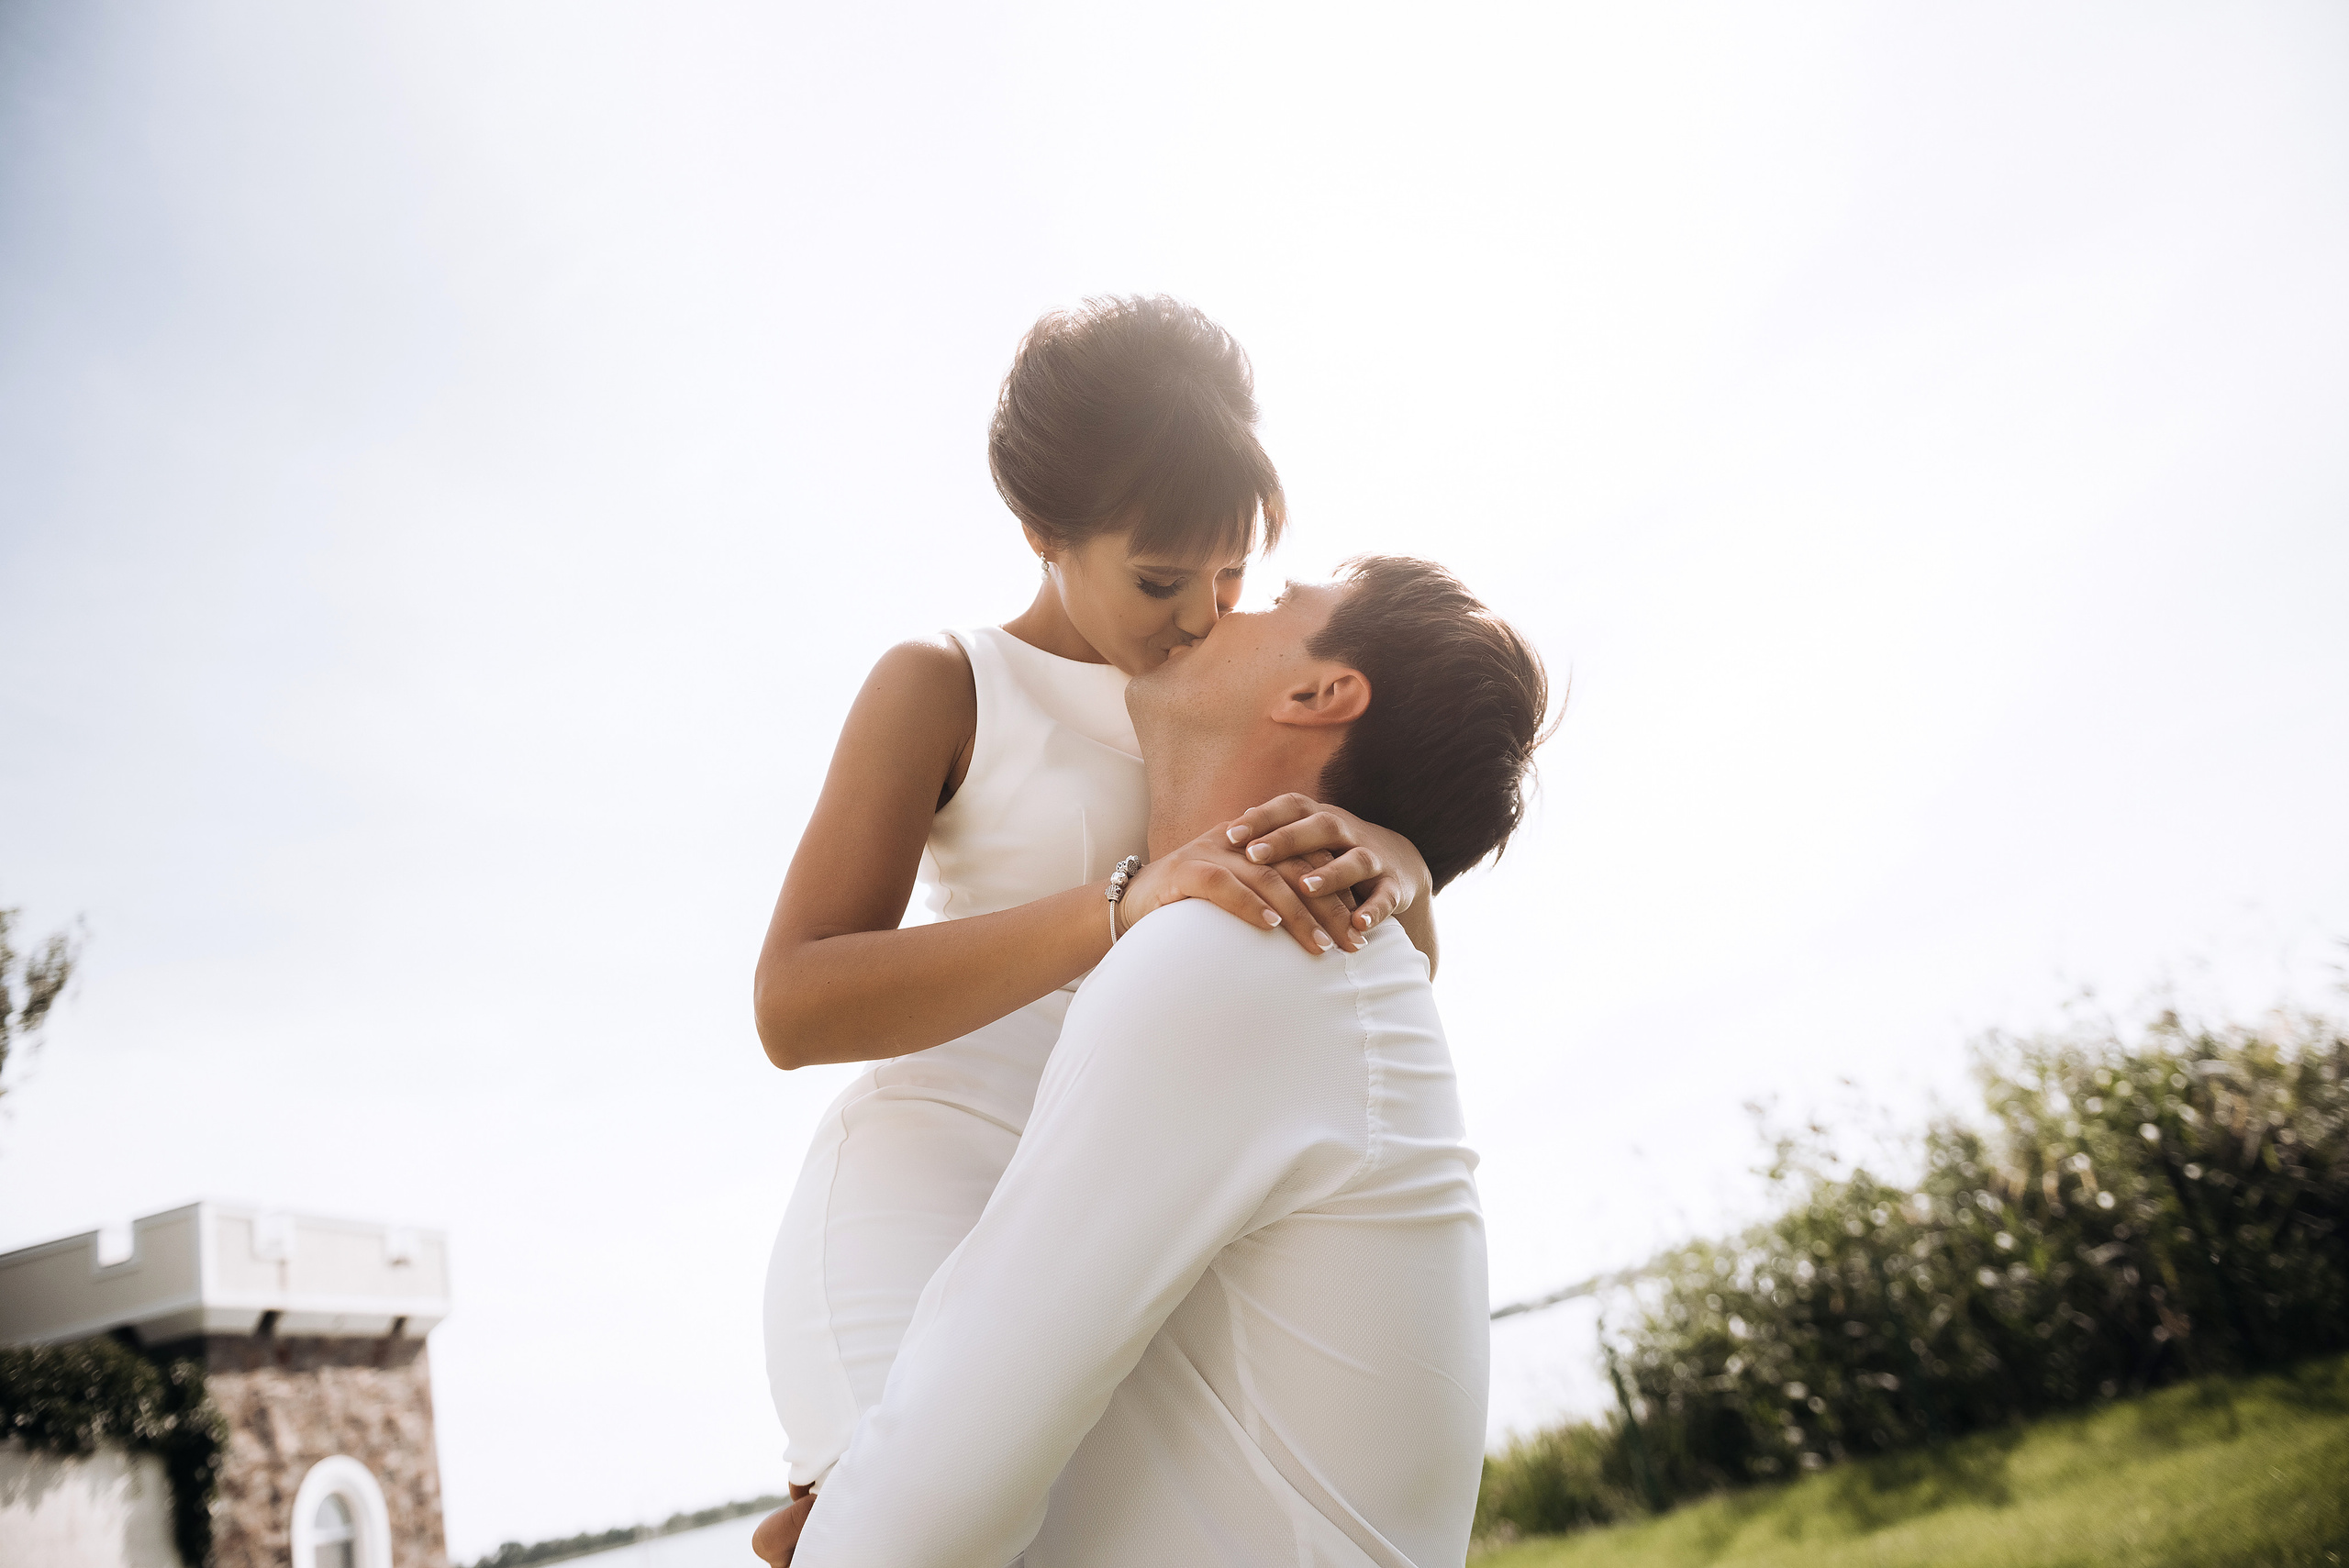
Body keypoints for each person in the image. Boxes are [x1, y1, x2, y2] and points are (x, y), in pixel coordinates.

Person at [754, 298, 1442, 1507]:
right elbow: (793, 1004)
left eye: (1234, 570)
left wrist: (1399, 853)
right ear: (1039, 532)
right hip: (925, 1189)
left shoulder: (1234, 687)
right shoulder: (946, 685)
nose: (1203, 613)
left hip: (1123, 1218)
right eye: (1162, 576)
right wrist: (1121, 904)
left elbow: (1394, 963)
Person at [767, 557, 1552, 1567]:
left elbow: (955, 1457)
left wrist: (847, 1532)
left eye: (1272, 598)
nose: (1223, 604)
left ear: (1319, 694)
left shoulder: (1244, 949)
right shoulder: (1295, 957)